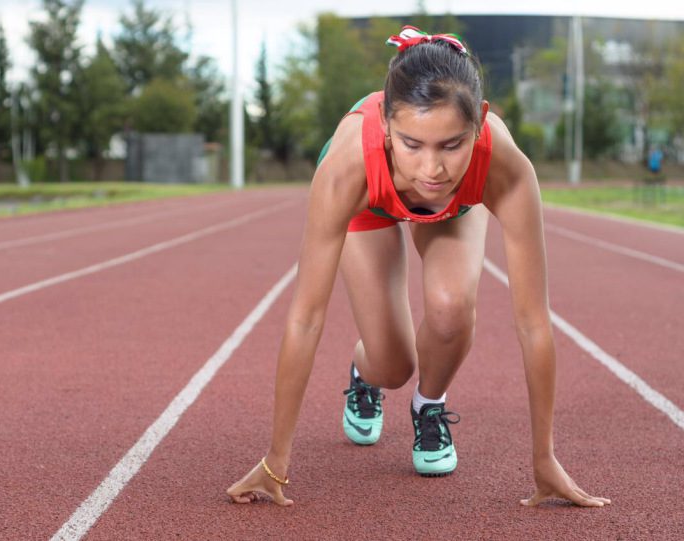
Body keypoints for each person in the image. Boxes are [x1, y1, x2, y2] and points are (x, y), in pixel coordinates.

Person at [227, 26, 611, 508]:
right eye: (412, 144)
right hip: (372, 200)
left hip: (456, 210)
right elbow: (306, 317)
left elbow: (534, 323)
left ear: (480, 124)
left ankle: (429, 405)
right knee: (393, 364)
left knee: (451, 308)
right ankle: (366, 374)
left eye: (451, 145)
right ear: (387, 125)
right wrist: (274, 462)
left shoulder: (505, 167)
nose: (432, 169)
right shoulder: (346, 168)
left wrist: (545, 459)